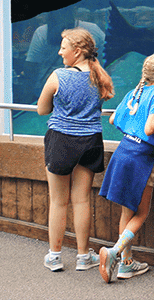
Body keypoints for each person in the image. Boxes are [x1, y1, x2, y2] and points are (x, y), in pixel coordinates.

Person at [36, 28, 114, 273]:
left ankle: (55, 257)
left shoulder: (58, 76)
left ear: (77, 51)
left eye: (63, 47)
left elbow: (41, 109)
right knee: (81, 200)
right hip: (90, 140)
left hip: (61, 141)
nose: (60, 52)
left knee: (58, 201)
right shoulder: (99, 76)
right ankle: (83, 257)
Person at [97, 53, 154, 283]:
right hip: (141, 157)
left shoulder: (135, 92)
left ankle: (127, 264)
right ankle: (114, 252)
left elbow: (112, 120)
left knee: (127, 211)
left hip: (123, 151)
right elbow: (151, 128)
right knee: (141, 213)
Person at [24, 6, 106, 98]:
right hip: (79, 85)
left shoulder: (42, 32)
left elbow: (31, 66)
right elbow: (106, 56)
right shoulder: (92, 29)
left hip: (79, 85)